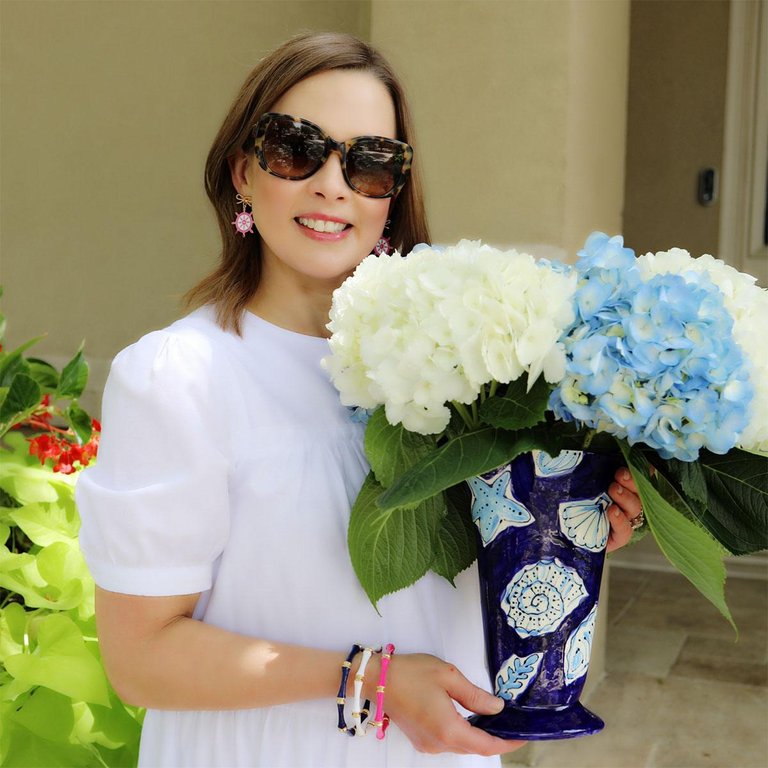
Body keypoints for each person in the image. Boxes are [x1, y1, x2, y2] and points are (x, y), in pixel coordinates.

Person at [75, 31, 643, 768]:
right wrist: (367, 681)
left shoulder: (471, 370)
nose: (332, 185)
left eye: (370, 162)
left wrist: (566, 526)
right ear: (243, 172)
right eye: (295, 149)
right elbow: (139, 658)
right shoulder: (178, 376)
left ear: (393, 194)